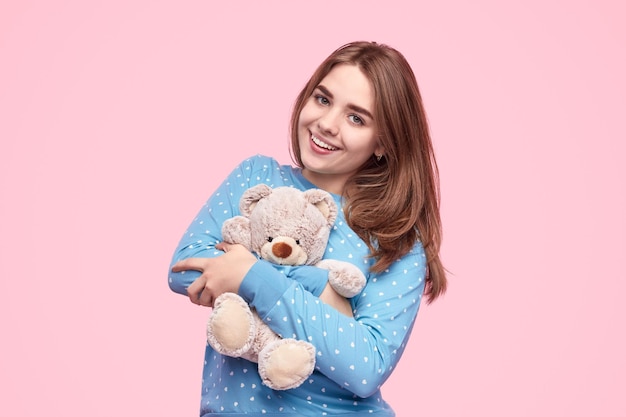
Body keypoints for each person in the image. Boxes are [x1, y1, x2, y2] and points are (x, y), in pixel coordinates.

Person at [168, 41, 447, 416]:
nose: (327, 124)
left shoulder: (395, 239)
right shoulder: (257, 177)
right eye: (323, 99)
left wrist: (249, 274)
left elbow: (365, 366)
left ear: (382, 142)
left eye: (356, 118)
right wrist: (330, 296)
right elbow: (186, 268)